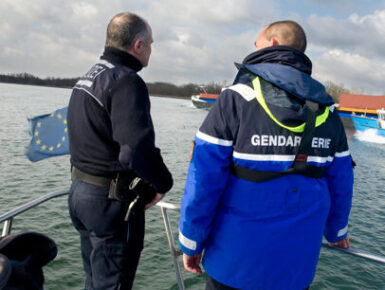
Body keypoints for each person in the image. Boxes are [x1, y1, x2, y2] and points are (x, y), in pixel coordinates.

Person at [179, 20, 353, 290]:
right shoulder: (327, 110)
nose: (254, 47)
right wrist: (337, 232)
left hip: (233, 264)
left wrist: (191, 241)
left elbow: (203, 180)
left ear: (272, 43)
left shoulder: (236, 98)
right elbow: (341, 181)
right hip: (296, 270)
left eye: (256, 42)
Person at [67, 12, 173, 290]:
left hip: (80, 193)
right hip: (109, 203)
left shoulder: (89, 77)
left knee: (95, 280)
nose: (151, 49)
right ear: (138, 45)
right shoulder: (125, 80)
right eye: (151, 43)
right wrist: (163, 184)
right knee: (112, 285)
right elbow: (135, 148)